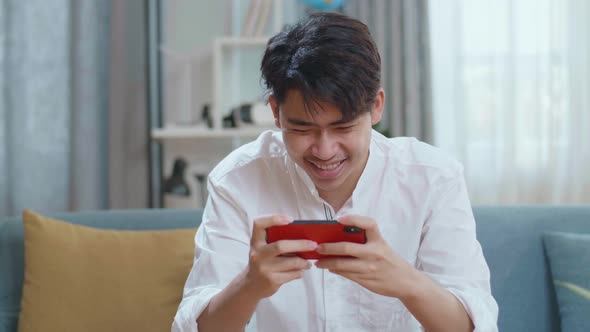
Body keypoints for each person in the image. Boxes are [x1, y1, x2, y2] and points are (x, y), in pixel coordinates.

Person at [173, 12, 498, 332]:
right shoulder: (237, 180)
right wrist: (250, 284)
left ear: (376, 107)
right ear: (275, 112)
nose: (324, 150)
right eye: (302, 129)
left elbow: (474, 326)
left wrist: (406, 282)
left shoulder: (433, 177)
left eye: (343, 127)